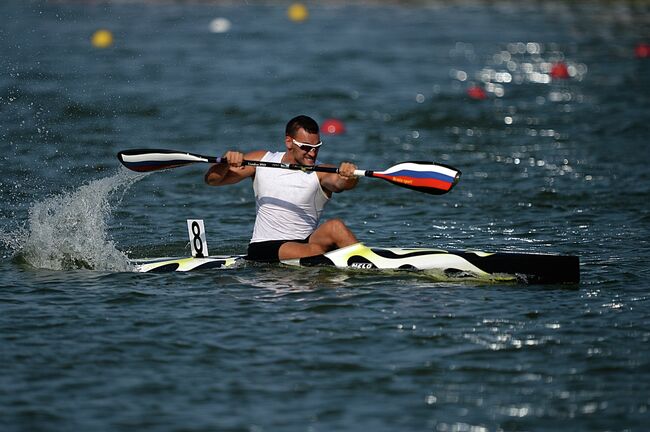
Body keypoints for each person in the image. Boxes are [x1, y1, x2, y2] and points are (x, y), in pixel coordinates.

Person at [205, 115, 359, 262]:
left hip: (305, 243)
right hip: (265, 247)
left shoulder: (321, 172)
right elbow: (213, 180)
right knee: (315, 252)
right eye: (306, 147)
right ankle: (341, 257)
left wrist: (349, 176)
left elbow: (341, 184)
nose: (312, 153)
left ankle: (366, 261)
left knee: (335, 226)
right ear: (289, 142)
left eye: (316, 147)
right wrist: (225, 162)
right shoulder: (261, 160)